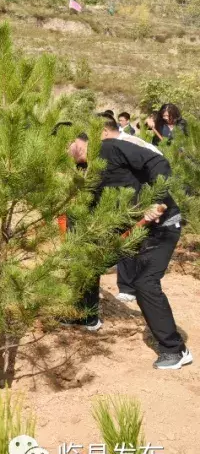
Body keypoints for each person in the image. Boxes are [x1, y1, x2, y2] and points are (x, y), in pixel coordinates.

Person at [68, 119, 191, 370]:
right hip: (129, 228)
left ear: (80, 141)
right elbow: (88, 212)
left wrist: (154, 200)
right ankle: (88, 316)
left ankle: (175, 350)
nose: (67, 154)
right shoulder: (84, 172)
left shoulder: (110, 148)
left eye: (67, 146)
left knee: (145, 283)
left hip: (161, 225)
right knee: (89, 262)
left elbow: (158, 163)